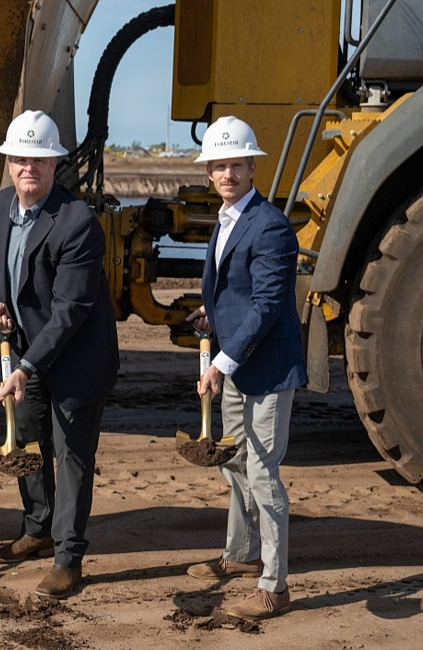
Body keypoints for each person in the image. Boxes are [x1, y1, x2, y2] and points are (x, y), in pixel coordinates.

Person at [0, 110, 119, 599]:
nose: (29, 168)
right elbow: (3, 266)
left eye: (39, 160)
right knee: (27, 441)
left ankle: (68, 558)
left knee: (71, 455)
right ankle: (37, 528)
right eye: (20, 158)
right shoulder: (1, 206)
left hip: (77, 358)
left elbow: (71, 310)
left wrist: (26, 366)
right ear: (10, 163)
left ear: (55, 164)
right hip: (29, 351)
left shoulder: (78, 222)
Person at [184, 115, 308, 620]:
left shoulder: (272, 226)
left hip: (269, 371)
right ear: (209, 172)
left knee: (262, 473)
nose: (228, 174)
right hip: (235, 365)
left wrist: (221, 361)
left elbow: (268, 303)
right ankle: (240, 554)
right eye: (220, 166)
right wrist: (210, 313)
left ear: (252, 166)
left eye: (237, 164)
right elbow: (237, 292)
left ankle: (274, 585)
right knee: (234, 463)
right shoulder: (228, 217)